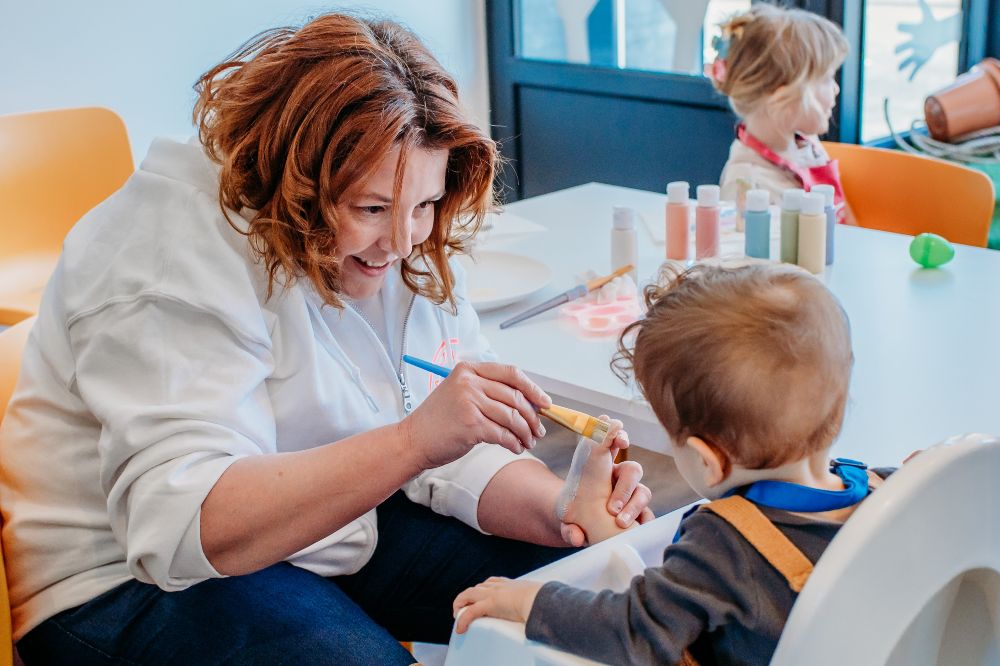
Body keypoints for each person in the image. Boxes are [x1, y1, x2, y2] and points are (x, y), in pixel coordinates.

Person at [0, 13, 654, 664]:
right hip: (124, 580)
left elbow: (449, 447)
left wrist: (565, 509)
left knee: (597, 582)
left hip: (332, 527)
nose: (401, 242)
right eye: (371, 209)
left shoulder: (400, 232)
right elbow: (179, 528)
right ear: (295, 182)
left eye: (424, 205)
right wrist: (411, 441)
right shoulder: (165, 252)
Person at [453, 261, 898, 665]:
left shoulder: (724, 546)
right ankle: (600, 525)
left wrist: (528, 601)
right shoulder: (893, 490)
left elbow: (632, 630)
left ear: (708, 461)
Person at [709, 5, 855, 224]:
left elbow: (849, 222)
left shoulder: (807, 146)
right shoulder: (747, 186)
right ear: (782, 97)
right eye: (826, 78)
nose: (836, 89)